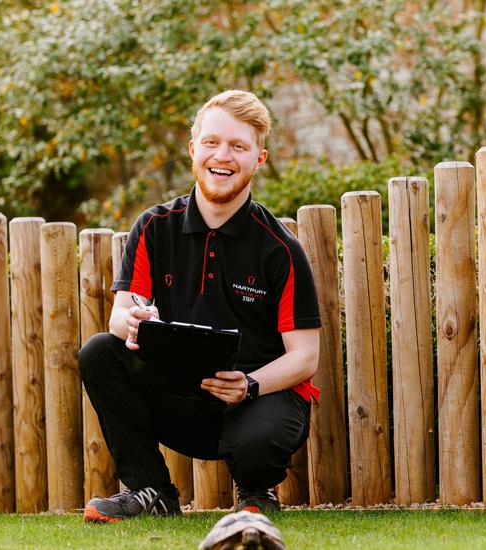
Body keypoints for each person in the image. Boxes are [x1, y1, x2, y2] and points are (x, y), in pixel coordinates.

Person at [79, 90, 322, 522]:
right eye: (212, 142)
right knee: (99, 351)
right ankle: (152, 491)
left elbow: (305, 357)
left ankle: (256, 492)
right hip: (181, 398)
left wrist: (248, 385)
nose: (222, 156)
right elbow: (120, 314)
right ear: (194, 150)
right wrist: (131, 321)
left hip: (255, 400)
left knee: (258, 441)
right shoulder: (154, 227)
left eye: (238, 146)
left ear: (258, 159)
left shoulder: (280, 249)